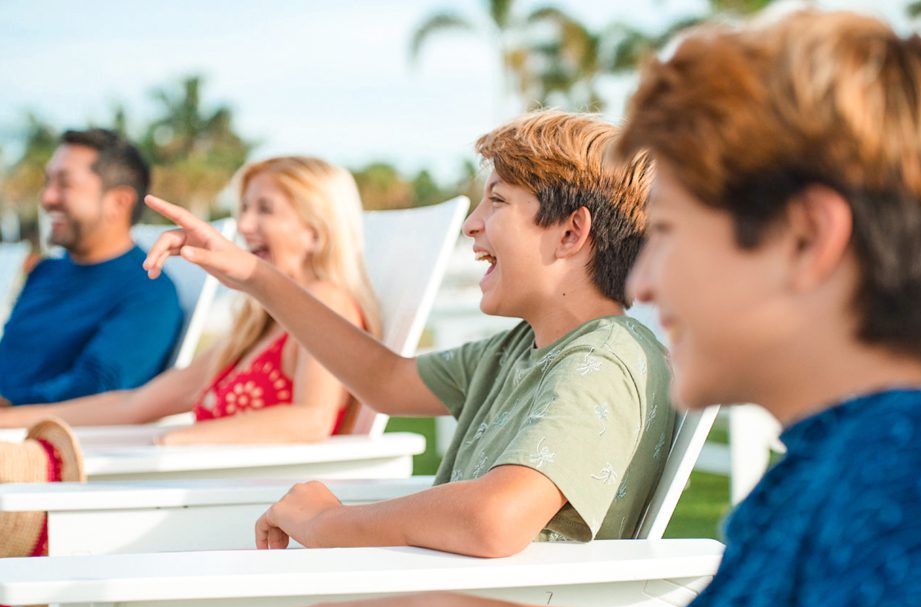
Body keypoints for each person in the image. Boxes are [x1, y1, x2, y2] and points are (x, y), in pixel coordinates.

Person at [208, 10, 921, 607]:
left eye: (669, 231)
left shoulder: (904, 478)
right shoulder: (833, 469)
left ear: (804, 241)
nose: (646, 277)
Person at [142, 110, 674, 557]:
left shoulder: (601, 361)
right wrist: (253, 274)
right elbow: (386, 381)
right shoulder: (520, 349)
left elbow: (495, 518)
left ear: (570, 232)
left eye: (497, 201)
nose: (472, 223)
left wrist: (332, 524)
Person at [0, 156, 380, 445]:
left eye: (264, 210)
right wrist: (12, 420)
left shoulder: (327, 301)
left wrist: (181, 441)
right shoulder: (256, 328)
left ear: (315, 232)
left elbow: (311, 418)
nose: (244, 226)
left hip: (253, 509)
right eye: (244, 209)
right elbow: (134, 405)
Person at [0, 128, 182, 405]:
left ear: (119, 202)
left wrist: (9, 407)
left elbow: (96, 388)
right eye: (47, 182)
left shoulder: (148, 293)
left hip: (40, 437)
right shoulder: (46, 271)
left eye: (65, 185)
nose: (48, 198)